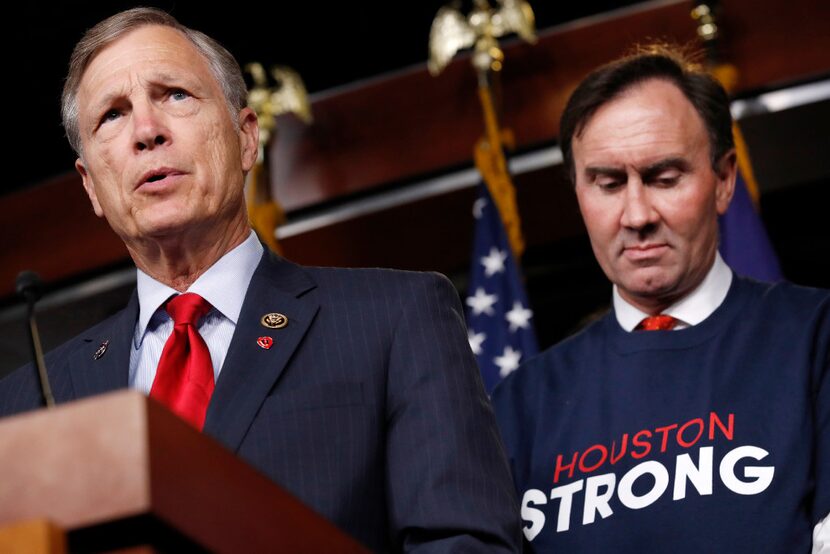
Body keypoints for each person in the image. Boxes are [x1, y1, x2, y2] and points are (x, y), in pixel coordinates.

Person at [0, 8, 522, 552]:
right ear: (90, 187)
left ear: (247, 137)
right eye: (112, 114)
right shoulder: (25, 401)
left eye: (175, 94)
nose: (146, 132)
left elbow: (463, 543)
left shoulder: (396, 319)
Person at [492, 46, 829, 552]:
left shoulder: (816, 336)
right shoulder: (519, 404)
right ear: (578, 194)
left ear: (724, 179)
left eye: (664, 179)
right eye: (607, 183)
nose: (636, 214)